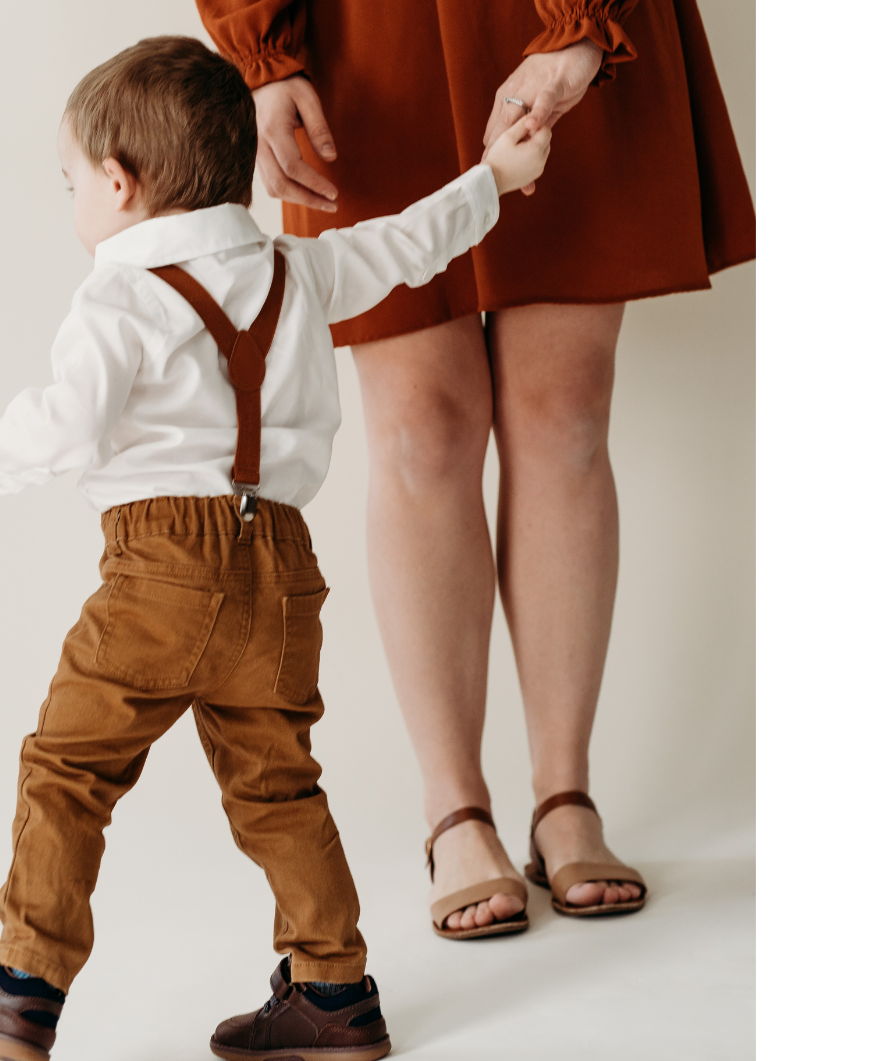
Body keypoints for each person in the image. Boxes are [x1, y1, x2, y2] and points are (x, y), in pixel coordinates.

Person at [0, 35, 551, 1061]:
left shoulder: (117, 297)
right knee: (277, 786)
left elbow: (72, 425)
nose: (74, 199)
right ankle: (335, 992)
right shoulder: (298, 267)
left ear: (120, 184)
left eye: (73, 180)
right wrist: (496, 178)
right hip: (282, 570)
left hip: (160, 566)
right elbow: (408, 244)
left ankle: (23, 982)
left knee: (69, 769)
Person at [198, 0, 756, 935]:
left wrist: (586, 26)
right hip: (365, 33)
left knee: (566, 411)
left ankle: (564, 796)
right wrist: (261, 49)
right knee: (421, 424)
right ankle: (455, 810)